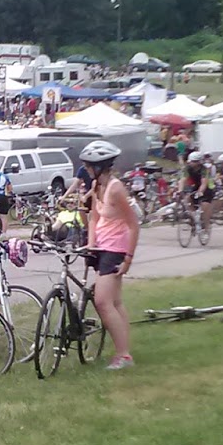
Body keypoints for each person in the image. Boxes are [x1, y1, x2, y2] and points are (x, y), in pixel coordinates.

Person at [79, 140, 137, 371]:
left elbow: (133, 224)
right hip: (102, 246)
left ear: (99, 166)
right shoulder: (97, 186)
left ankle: (123, 356)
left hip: (116, 250)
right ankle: (124, 349)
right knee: (115, 302)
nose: (85, 169)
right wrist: (91, 243)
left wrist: (128, 259)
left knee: (102, 302)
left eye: (88, 166)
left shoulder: (116, 188)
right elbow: (94, 217)